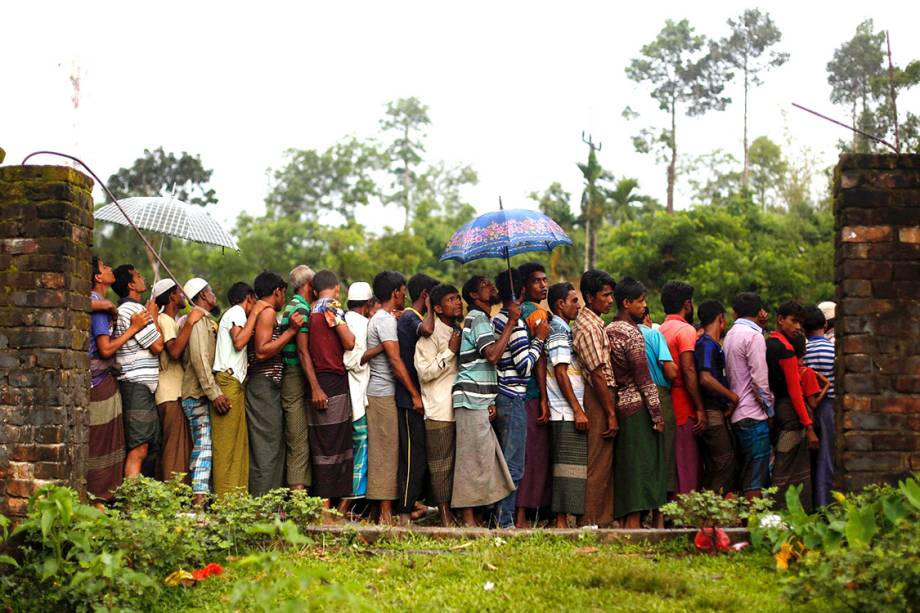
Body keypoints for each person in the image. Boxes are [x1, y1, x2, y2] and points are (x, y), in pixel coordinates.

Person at [450, 276, 517, 527]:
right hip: (469, 396)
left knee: (483, 457)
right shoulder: (477, 318)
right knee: (471, 459)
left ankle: (475, 516)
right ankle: (468, 519)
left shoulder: (482, 319)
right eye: (485, 285)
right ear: (475, 296)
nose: (492, 287)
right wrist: (510, 323)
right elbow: (491, 355)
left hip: (478, 397)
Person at [605, 277, 665, 529]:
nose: (644, 306)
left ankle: (627, 520)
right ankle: (633, 523)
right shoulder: (633, 334)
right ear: (626, 303)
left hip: (618, 403)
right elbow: (643, 378)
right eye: (640, 301)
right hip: (638, 406)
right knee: (642, 465)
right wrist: (657, 414)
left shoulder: (608, 329)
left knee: (627, 463)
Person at [491, 269, 549, 529]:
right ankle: (505, 522)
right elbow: (524, 365)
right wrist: (538, 340)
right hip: (514, 397)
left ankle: (501, 518)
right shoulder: (512, 324)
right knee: (513, 464)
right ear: (521, 291)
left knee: (507, 459)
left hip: (503, 395)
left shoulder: (497, 320)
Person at [88, 257, 148, 502]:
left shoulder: (100, 303)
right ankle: (99, 499)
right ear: (97, 277)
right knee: (102, 443)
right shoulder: (97, 303)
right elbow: (105, 349)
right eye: (104, 267)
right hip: (98, 380)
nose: (110, 268)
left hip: (103, 379)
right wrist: (133, 328)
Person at [364, 271, 416, 525]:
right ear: (395, 292)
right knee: (385, 453)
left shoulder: (384, 318)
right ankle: (385, 514)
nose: (405, 294)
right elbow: (395, 361)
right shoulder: (383, 320)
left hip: (381, 393)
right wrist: (414, 393)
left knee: (386, 451)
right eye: (403, 290)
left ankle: (381, 511)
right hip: (382, 394)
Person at [247, 271, 304, 496]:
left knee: (271, 446)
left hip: (267, 386)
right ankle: (263, 507)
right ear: (277, 291)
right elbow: (261, 352)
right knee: (267, 448)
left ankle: (270, 504)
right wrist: (291, 331)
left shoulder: (264, 311)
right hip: (263, 384)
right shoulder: (268, 312)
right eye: (283, 294)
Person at [304, 270, 356, 512]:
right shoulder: (332, 306)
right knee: (335, 442)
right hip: (333, 378)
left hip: (314, 380)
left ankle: (323, 505)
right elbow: (349, 342)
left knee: (321, 443)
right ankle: (328, 508)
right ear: (337, 288)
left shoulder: (309, 308)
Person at [571, 269, 619, 528]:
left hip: (602, 394)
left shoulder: (595, 323)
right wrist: (610, 412)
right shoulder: (589, 327)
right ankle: (589, 519)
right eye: (605, 295)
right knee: (598, 460)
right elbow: (598, 373)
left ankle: (601, 517)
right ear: (590, 297)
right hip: (599, 395)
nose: (610, 300)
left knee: (604, 459)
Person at [414, 283, 463, 527]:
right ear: (438, 308)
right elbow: (424, 373)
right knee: (440, 465)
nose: (458, 302)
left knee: (456, 464)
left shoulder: (458, 330)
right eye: (452, 299)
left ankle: (453, 512)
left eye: (458, 298)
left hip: (460, 407)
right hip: (438, 409)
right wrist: (449, 353)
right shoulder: (430, 334)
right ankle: (444, 516)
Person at [211, 282, 266, 496]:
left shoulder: (237, 314)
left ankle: (236, 498)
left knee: (238, 444)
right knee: (227, 446)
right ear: (249, 298)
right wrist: (256, 313)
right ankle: (226, 500)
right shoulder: (237, 312)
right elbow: (239, 342)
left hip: (235, 381)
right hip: (227, 381)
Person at [111, 264, 164, 479]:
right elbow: (158, 346)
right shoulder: (133, 310)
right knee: (139, 447)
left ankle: (137, 501)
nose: (143, 278)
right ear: (132, 284)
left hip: (142, 386)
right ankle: (130, 506)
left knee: (146, 446)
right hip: (135, 384)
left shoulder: (132, 309)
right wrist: (153, 317)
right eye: (139, 275)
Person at [178, 278, 228, 505]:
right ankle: (198, 501)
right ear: (202, 296)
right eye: (210, 291)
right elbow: (199, 360)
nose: (213, 294)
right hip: (197, 393)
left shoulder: (205, 320)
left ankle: (203, 498)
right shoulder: (197, 321)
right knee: (204, 443)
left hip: (201, 393)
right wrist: (214, 392)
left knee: (206, 443)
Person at [766, 300, 818, 513]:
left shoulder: (769, 342)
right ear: (781, 320)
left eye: (800, 323)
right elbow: (795, 392)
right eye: (794, 321)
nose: (798, 327)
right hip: (790, 413)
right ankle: (787, 512)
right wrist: (809, 426)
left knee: (783, 461)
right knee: (788, 465)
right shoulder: (786, 350)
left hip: (776, 408)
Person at [395, 273, 439, 524]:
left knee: (419, 454)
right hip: (408, 398)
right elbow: (428, 329)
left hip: (417, 397)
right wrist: (432, 308)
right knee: (412, 455)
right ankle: (404, 510)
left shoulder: (412, 316)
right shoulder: (412, 316)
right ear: (426, 295)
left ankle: (413, 503)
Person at [545, 282, 588, 528]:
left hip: (566, 408)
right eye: (573, 301)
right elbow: (561, 372)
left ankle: (564, 520)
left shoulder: (562, 329)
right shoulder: (559, 331)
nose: (578, 305)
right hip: (563, 409)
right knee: (566, 466)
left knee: (570, 465)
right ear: (560, 304)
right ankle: (561, 521)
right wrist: (577, 409)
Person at [724, 292, 774, 501]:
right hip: (754, 414)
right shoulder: (754, 336)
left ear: (735, 312)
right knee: (756, 476)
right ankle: (751, 527)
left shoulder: (730, 335)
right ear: (760, 311)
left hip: (737, 413)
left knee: (745, 473)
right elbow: (759, 382)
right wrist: (770, 412)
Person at [658, 280, 705, 494]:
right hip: (683, 404)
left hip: (664, 402)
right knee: (687, 464)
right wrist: (700, 408)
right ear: (687, 304)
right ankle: (685, 516)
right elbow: (688, 370)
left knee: (671, 462)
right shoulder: (685, 330)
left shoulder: (659, 329)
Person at [151, 279, 200, 483]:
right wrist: (190, 321)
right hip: (170, 392)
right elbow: (174, 350)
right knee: (174, 447)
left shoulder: (171, 320)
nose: (183, 295)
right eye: (180, 292)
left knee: (179, 446)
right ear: (171, 296)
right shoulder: (166, 320)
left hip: (173, 391)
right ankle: (172, 494)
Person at [515, 261, 552, 525]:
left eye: (545, 280)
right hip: (530, 393)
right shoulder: (537, 314)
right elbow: (539, 361)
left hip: (516, 392)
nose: (543, 285)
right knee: (533, 456)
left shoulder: (516, 313)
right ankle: (522, 515)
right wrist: (543, 398)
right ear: (525, 286)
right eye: (537, 281)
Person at [694, 300, 739, 494]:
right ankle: (710, 516)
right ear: (721, 318)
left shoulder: (712, 345)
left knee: (718, 464)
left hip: (717, 409)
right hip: (711, 411)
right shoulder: (706, 344)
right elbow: (705, 378)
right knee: (724, 463)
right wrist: (732, 397)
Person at [280, 265, 315, 492]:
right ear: (309, 285)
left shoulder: (295, 305)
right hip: (294, 376)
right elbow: (302, 352)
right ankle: (298, 501)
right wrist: (315, 386)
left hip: (294, 375)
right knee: (298, 439)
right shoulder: (299, 309)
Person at [341, 283, 375, 512]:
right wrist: (381, 348)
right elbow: (352, 361)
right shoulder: (363, 324)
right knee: (361, 454)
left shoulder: (343, 320)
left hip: (344, 399)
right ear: (368, 304)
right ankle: (345, 508)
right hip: (358, 399)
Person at [639, 308, 678, 502]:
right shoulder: (653, 334)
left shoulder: (615, 331)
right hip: (660, 394)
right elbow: (671, 372)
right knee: (665, 451)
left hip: (633, 397)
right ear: (647, 316)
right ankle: (661, 512)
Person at [802, 305, 836, 508]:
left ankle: (809, 505)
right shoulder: (833, 350)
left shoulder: (803, 351)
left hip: (806, 410)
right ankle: (825, 505)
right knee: (826, 459)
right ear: (825, 324)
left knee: (808, 460)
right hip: (828, 407)